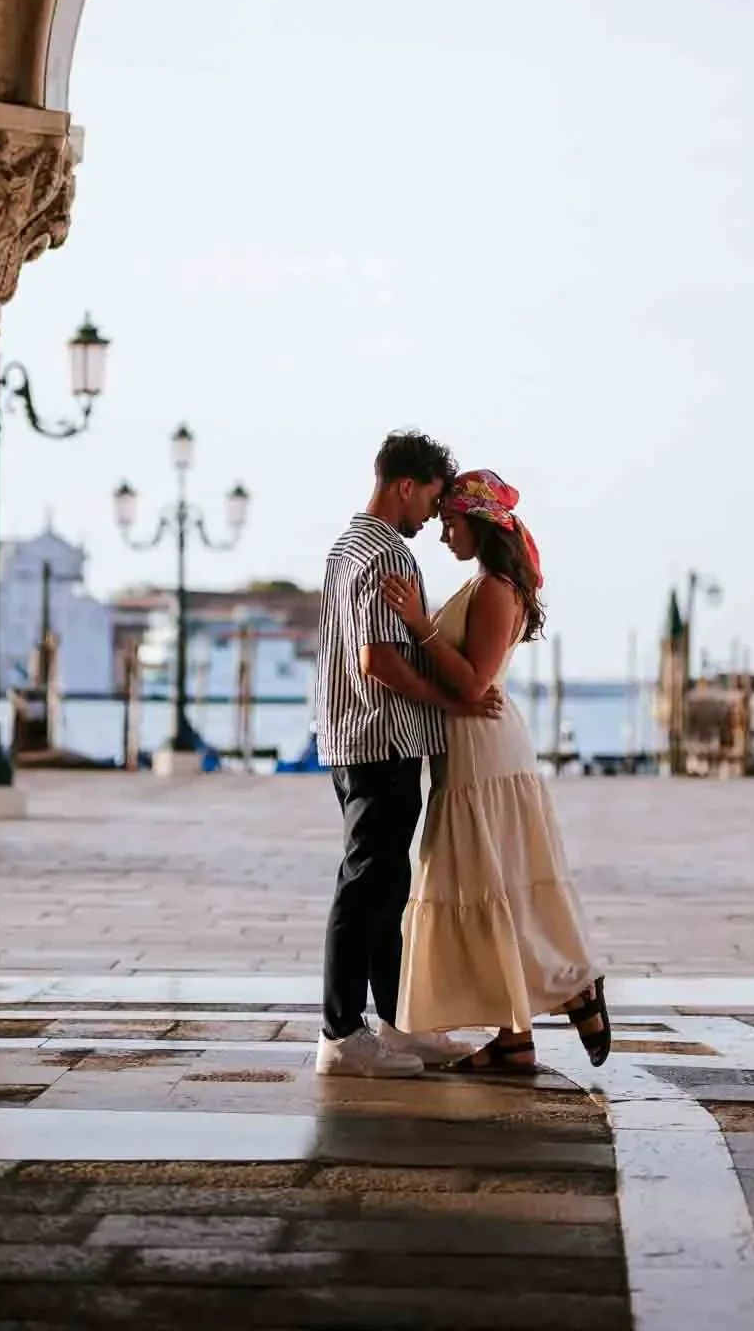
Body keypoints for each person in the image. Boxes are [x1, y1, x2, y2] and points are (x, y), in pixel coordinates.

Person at [383, 469, 610, 1073]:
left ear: (477, 523)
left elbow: (475, 680)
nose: (442, 536)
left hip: (483, 750)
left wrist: (417, 623)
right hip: (467, 746)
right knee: (483, 884)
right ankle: (515, 1035)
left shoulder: (494, 589)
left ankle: (576, 987)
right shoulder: (485, 583)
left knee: (494, 881)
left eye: (450, 524)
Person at [314, 431, 505, 1079]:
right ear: (404, 485)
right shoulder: (385, 555)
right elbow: (378, 660)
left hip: (352, 738)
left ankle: (398, 1023)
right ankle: (340, 1032)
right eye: (430, 497)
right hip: (382, 738)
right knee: (367, 883)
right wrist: (449, 704)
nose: (433, 512)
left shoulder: (346, 546)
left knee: (385, 885)